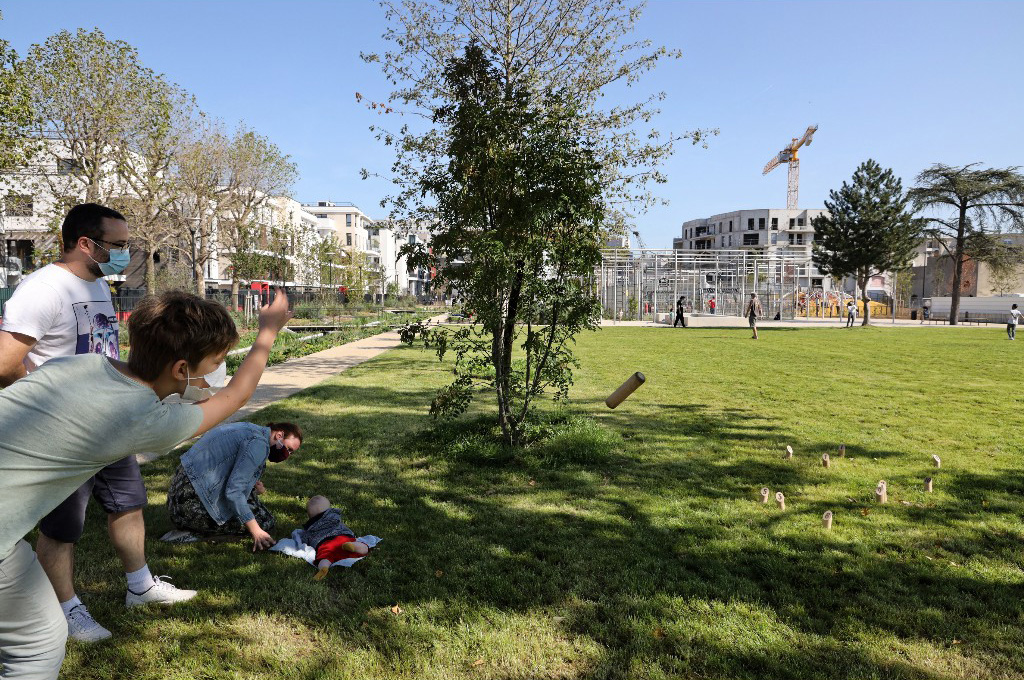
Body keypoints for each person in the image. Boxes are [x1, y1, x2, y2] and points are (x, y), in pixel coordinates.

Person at [0, 287, 292, 680]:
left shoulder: (81, 364)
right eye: (217, 362)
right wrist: (268, 331)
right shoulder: (143, 418)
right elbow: (235, 395)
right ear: (180, 370)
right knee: (36, 646)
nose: (218, 372)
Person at [0, 204, 193, 644]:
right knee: (61, 527)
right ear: (86, 243)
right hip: (65, 433)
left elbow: (100, 350)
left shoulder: (98, 285)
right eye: (119, 245)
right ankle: (67, 610)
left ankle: (140, 586)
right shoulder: (44, 289)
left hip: (109, 420)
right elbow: (5, 362)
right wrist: (50, 403)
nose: (125, 252)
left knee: (128, 502)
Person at [165, 422, 304, 550]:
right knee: (265, 521)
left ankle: (196, 527)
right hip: (187, 508)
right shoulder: (258, 444)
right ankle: (194, 533)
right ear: (279, 435)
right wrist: (255, 531)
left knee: (255, 509)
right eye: (288, 449)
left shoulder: (250, 429)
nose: (287, 454)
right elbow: (234, 491)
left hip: (177, 495)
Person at [300, 495, 369, 581]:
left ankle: (324, 567)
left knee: (325, 557)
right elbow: (344, 528)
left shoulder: (310, 528)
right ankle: (353, 546)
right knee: (364, 547)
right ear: (329, 510)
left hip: (325, 544)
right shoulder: (333, 517)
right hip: (343, 539)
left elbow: (305, 539)